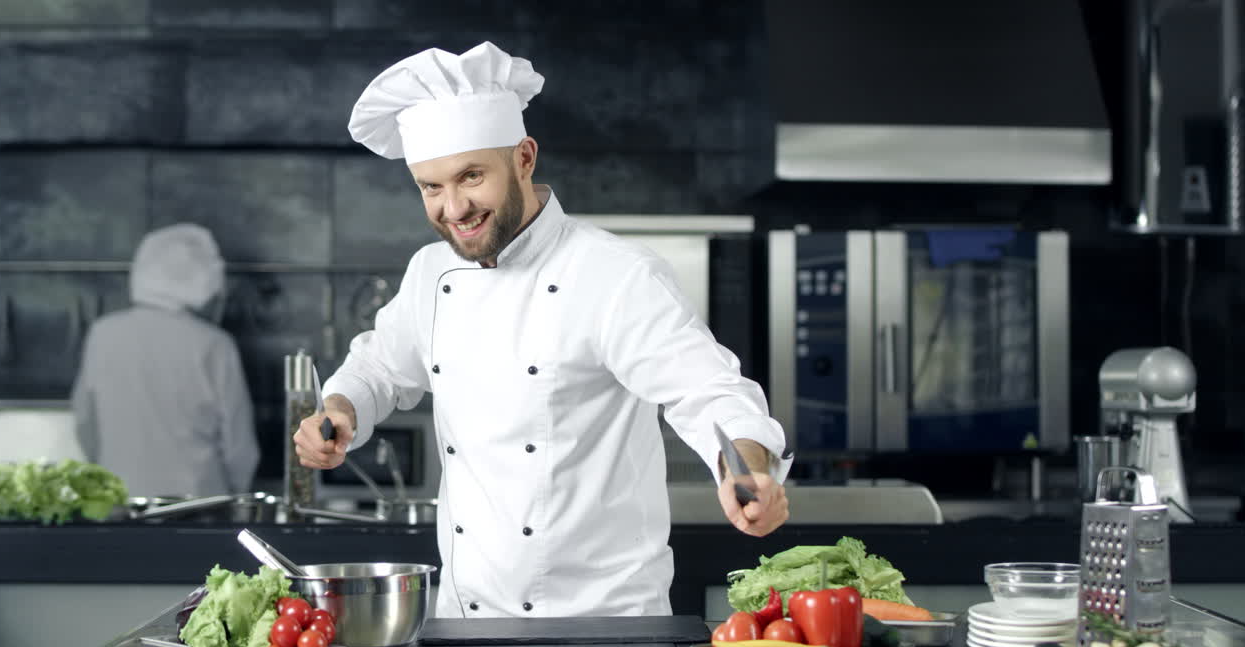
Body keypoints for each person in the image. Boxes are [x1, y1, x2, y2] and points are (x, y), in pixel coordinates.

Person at [294, 41, 791, 618]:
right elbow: (379, 367)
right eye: (431, 187)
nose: (453, 208)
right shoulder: (430, 272)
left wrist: (748, 468)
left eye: (470, 176)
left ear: (525, 158)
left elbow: (708, 393)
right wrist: (340, 409)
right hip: (468, 624)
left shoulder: (613, 274)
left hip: (604, 629)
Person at [71, 223, 259, 498]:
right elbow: (239, 446)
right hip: (198, 505)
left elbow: (85, 421)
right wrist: (232, 497)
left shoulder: (103, 333)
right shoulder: (214, 344)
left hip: (120, 501)